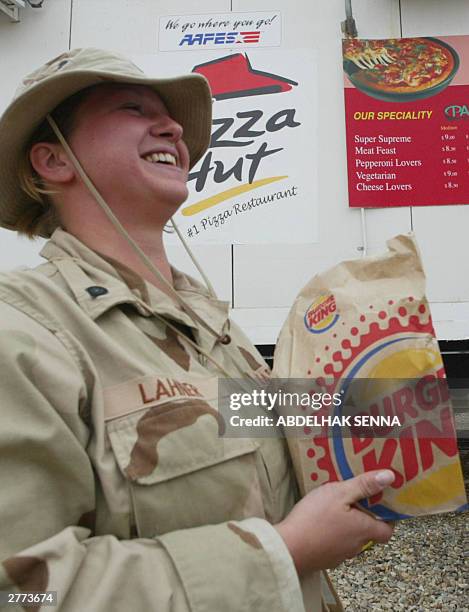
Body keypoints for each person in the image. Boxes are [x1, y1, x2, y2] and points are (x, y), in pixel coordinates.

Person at [0, 48, 394, 612]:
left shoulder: (205, 314)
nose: (171, 128)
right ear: (55, 161)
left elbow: (261, 432)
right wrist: (281, 553)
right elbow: (20, 593)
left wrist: (385, 403)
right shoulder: (22, 330)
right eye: (133, 108)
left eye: (171, 118)